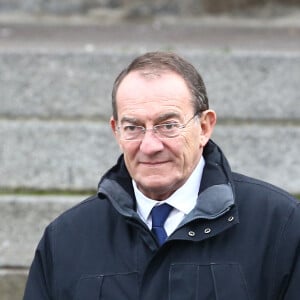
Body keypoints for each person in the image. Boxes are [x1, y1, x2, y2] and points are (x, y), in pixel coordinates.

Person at [23, 52, 299, 300]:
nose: (150, 145)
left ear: (204, 127)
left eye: (168, 125)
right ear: (115, 131)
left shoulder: (278, 225)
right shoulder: (66, 238)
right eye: (133, 127)